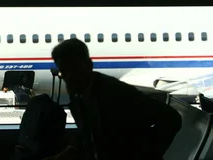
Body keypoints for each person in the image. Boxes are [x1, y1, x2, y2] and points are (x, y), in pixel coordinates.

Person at [43, 38, 182, 160]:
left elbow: (171, 118)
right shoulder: (78, 90)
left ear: (89, 65)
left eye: (75, 69)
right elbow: (88, 129)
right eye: (64, 71)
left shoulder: (115, 93)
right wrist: (71, 150)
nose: (70, 77)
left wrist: (144, 154)